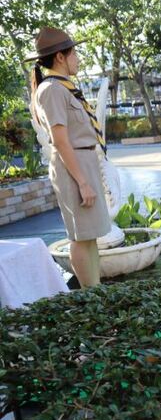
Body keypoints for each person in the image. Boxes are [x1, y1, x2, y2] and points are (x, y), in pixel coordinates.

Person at [27, 27, 109, 288]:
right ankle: (89, 294)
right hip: (72, 166)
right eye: (74, 53)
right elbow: (61, 141)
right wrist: (82, 182)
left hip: (83, 161)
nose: (78, 59)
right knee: (80, 235)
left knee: (90, 234)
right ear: (60, 57)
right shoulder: (52, 90)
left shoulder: (65, 88)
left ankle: (96, 291)